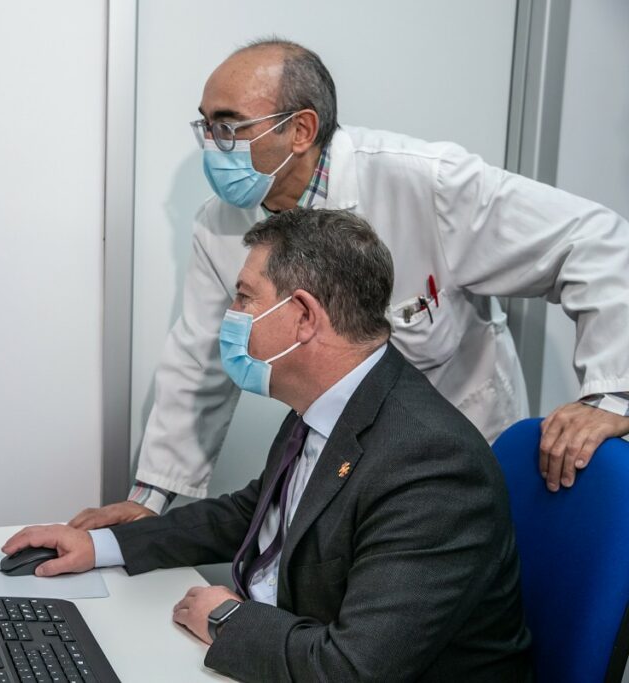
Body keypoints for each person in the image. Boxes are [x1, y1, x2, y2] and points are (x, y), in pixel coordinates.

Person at [71, 37, 629, 530]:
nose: (213, 145)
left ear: (301, 130)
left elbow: (599, 241)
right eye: (207, 126)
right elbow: (198, 363)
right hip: (339, 459)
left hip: (460, 459)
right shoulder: (219, 226)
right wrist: (151, 500)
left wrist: (610, 394)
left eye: (229, 127)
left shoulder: (425, 183)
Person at [8, 209, 532, 682]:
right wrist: (104, 546)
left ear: (303, 316)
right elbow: (255, 514)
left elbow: (352, 669)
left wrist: (226, 618)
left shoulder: (432, 466)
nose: (230, 314)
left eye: (244, 297)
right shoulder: (329, 405)